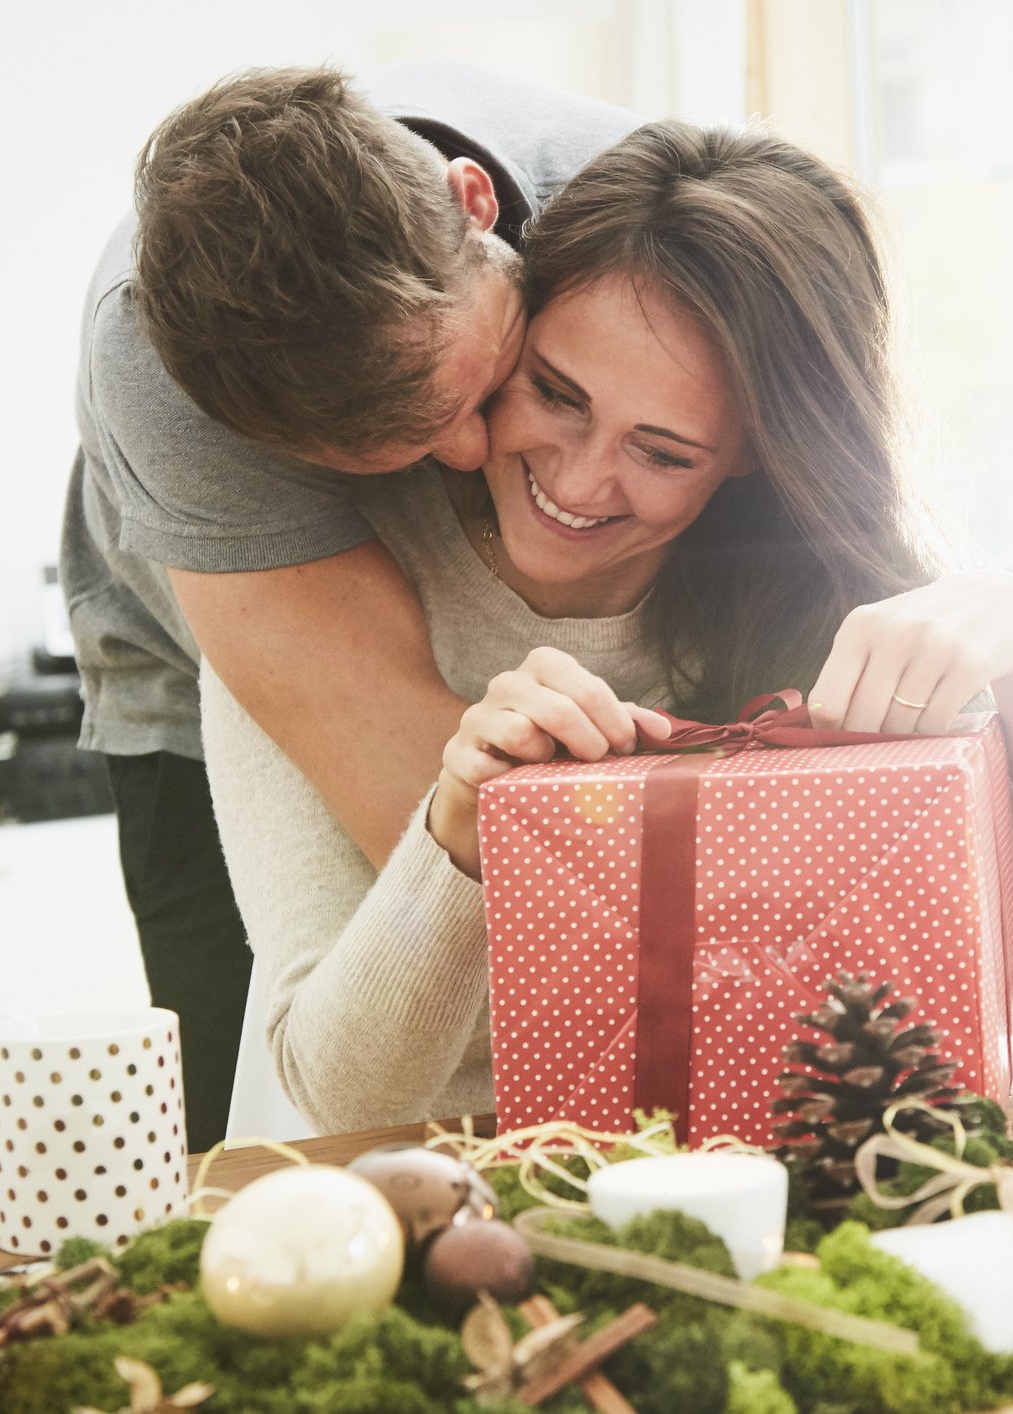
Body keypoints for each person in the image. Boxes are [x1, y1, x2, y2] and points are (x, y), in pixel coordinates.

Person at [203, 121, 1013, 1135]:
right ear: (512, 323)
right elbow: (340, 1095)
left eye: (663, 453)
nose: (577, 481)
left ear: (753, 453)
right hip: (472, 1203)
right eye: (554, 392)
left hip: (797, 1179)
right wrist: (455, 826)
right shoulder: (309, 592)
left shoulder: (830, 594)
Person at [59, 64, 636, 1149]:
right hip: (198, 669)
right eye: (407, 451)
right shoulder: (164, 378)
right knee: (232, 1125)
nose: (471, 455)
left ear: (476, 202)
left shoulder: (637, 210)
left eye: (485, 384)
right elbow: (426, 826)